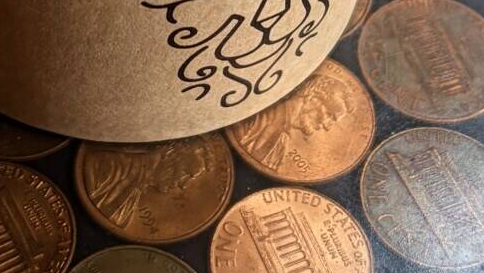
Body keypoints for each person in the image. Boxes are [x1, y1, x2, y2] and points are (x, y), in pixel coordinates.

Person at [231, 71, 355, 172]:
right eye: (328, 114)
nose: (327, 126)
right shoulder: (254, 113)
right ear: (313, 97)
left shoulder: (282, 143)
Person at [84, 139, 213, 229]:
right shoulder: (106, 165)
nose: (183, 185)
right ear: (170, 155)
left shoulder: (134, 193)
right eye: (186, 173)